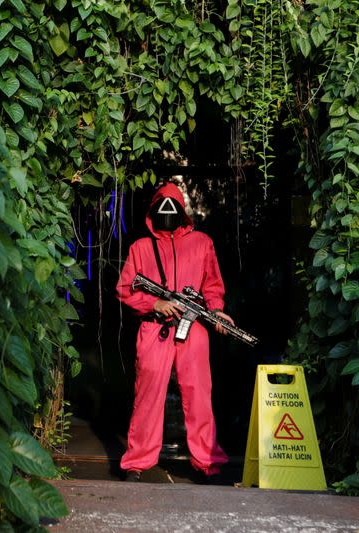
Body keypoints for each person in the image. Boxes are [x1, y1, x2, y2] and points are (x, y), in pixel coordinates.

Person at [116, 180, 235, 483]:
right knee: (147, 398)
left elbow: (212, 284)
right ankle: (137, 462)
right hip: (154, 330)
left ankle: (206, 463)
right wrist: (154, 303)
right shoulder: (141, 247)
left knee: (199, 397)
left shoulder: (201, 243)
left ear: (182, 212)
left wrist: (217, 309)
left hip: (193, 328)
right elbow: (124, 289)